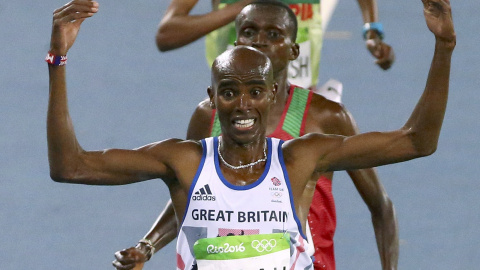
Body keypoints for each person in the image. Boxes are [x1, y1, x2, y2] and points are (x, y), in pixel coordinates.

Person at [47, 0, 455, 269]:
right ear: (213, 98)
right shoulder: (186, 156)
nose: (242, 104)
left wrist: (444, 46)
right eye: (229, 92)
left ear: (272, 92)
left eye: (255, 92)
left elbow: (417, 140)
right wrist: (58, 60)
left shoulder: (302, 157)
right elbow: (71, 166)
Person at [114, 1, 398, 269]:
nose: (259, 41)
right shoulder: (208, 116)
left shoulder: (327, 118)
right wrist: (147, 245)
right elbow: (191, 195)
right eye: (249, 32)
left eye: (273, 34)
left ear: (293, 50)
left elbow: (380, 205)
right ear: (237, 42)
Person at [155, 0, 395, 92]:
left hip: (298, 100)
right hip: (234, 106)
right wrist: (245, 6)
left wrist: (371, 30)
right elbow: (167, 35)